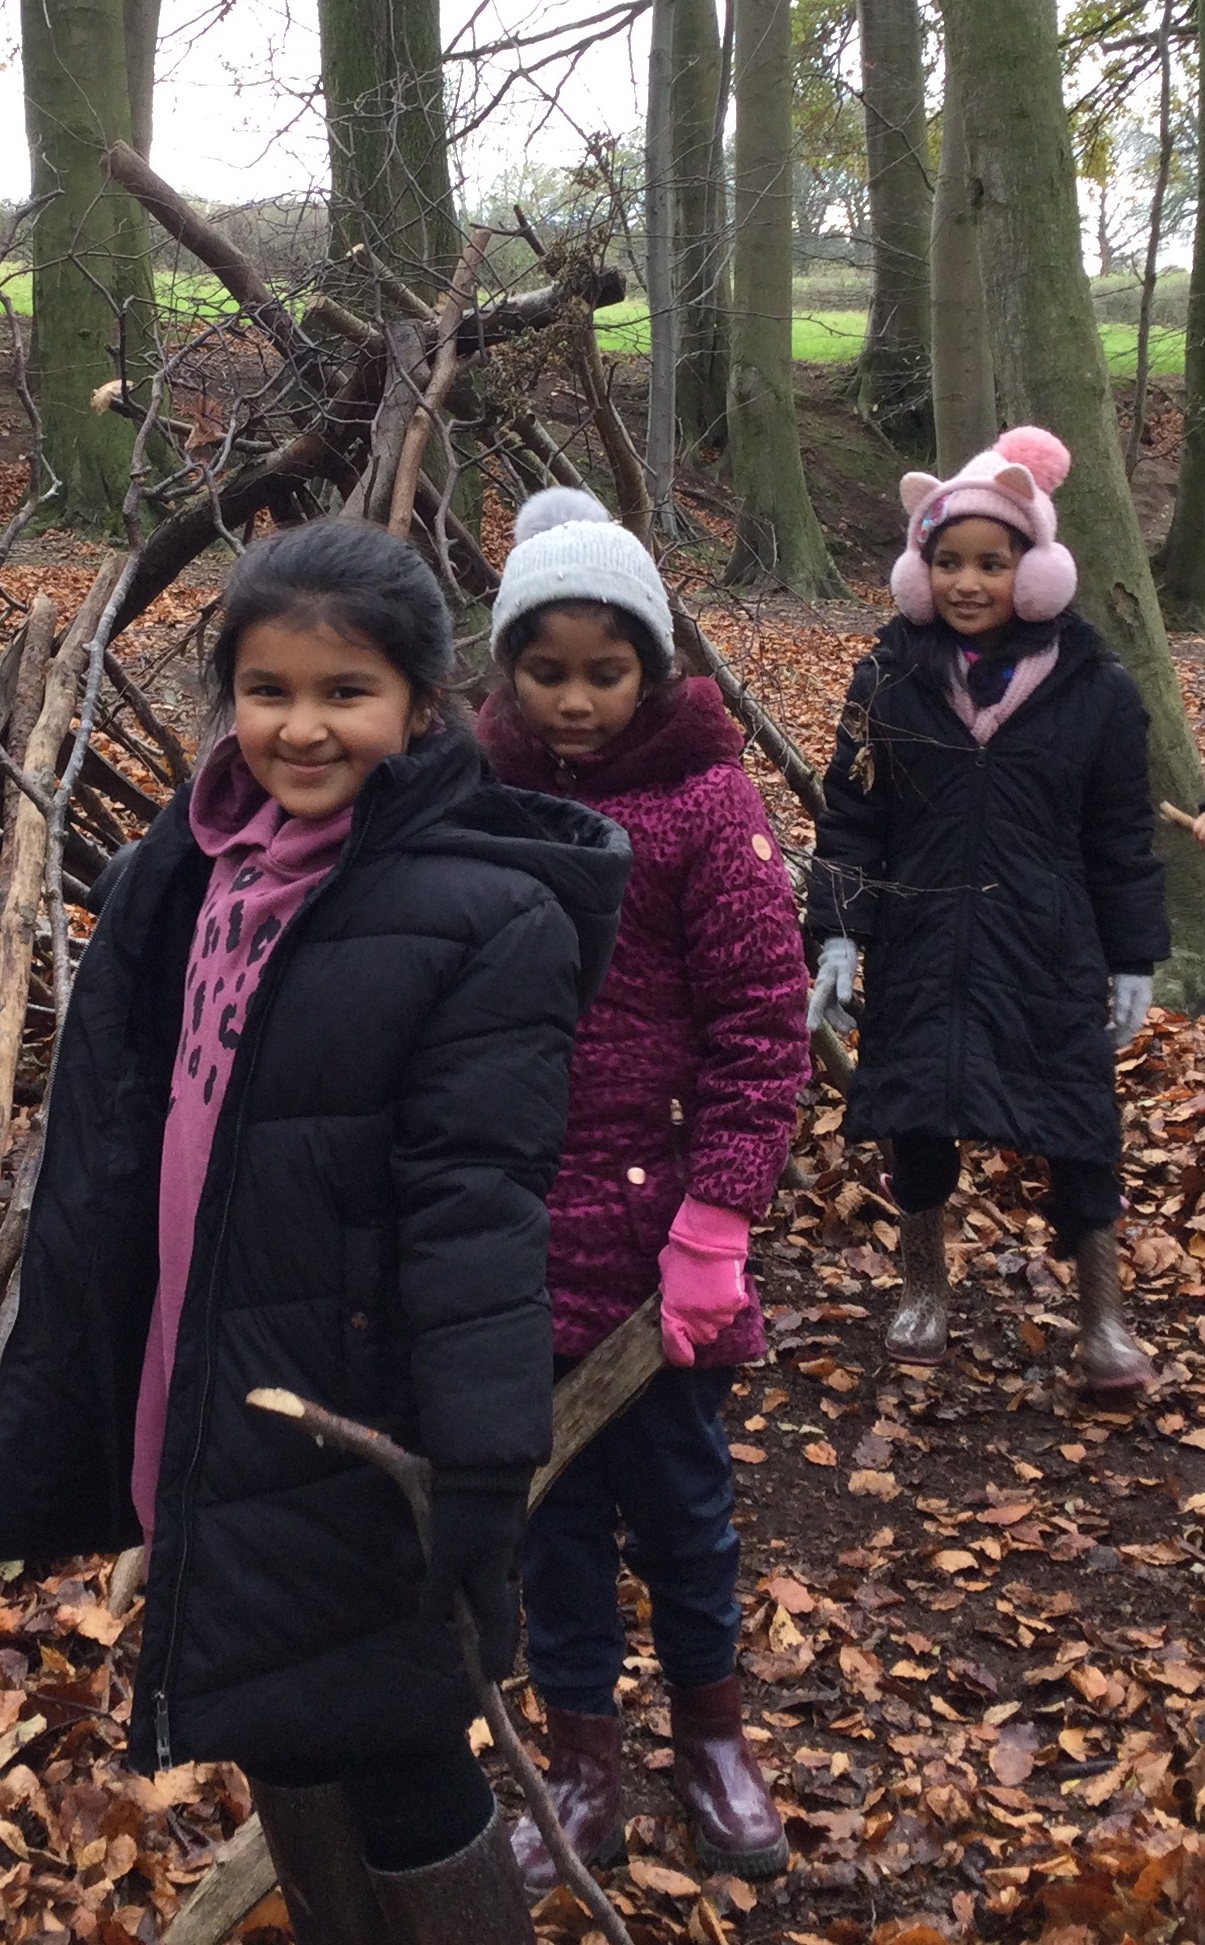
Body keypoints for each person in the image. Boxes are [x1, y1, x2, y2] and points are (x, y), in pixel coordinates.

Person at [0, 522, 631, 1943]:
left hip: (357, 1396)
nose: (300, 725)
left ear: (421, 709)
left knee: (387, 1732)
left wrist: (478, 1464)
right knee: (277, 1707)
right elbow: (111, 1138)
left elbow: (477, 1209)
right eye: (267, 689)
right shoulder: (192, 867)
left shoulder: (481, 916)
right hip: (208, 1363)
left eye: (344, 693)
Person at [474, 489, 807, 1888]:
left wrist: (716, 1217)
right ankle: (580, 1754)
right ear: (504, 671)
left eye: (600, 671)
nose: (571, 700)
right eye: (542, 672)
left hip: (665, 1241)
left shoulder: (700, 803)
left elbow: (758, 1021)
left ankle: (714, 1737)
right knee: (545, 1515)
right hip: (514, 1240)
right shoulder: (477, 796)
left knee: (679, 1505)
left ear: (653, 665)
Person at [806, 427, 1168, 1396]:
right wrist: (838, 930)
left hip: (1049, 945)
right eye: (947, 562)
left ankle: (1100, 1317)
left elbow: (1120, 839)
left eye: (990, 562)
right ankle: (920, 1285)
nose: (968, 581)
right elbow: (851, 813)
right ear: (919, 571)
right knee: (917, 1111)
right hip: (923, 940)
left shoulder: (1094, 691)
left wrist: (1132, 955)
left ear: (1033, 570)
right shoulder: (885, 679)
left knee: (1079, 1123)